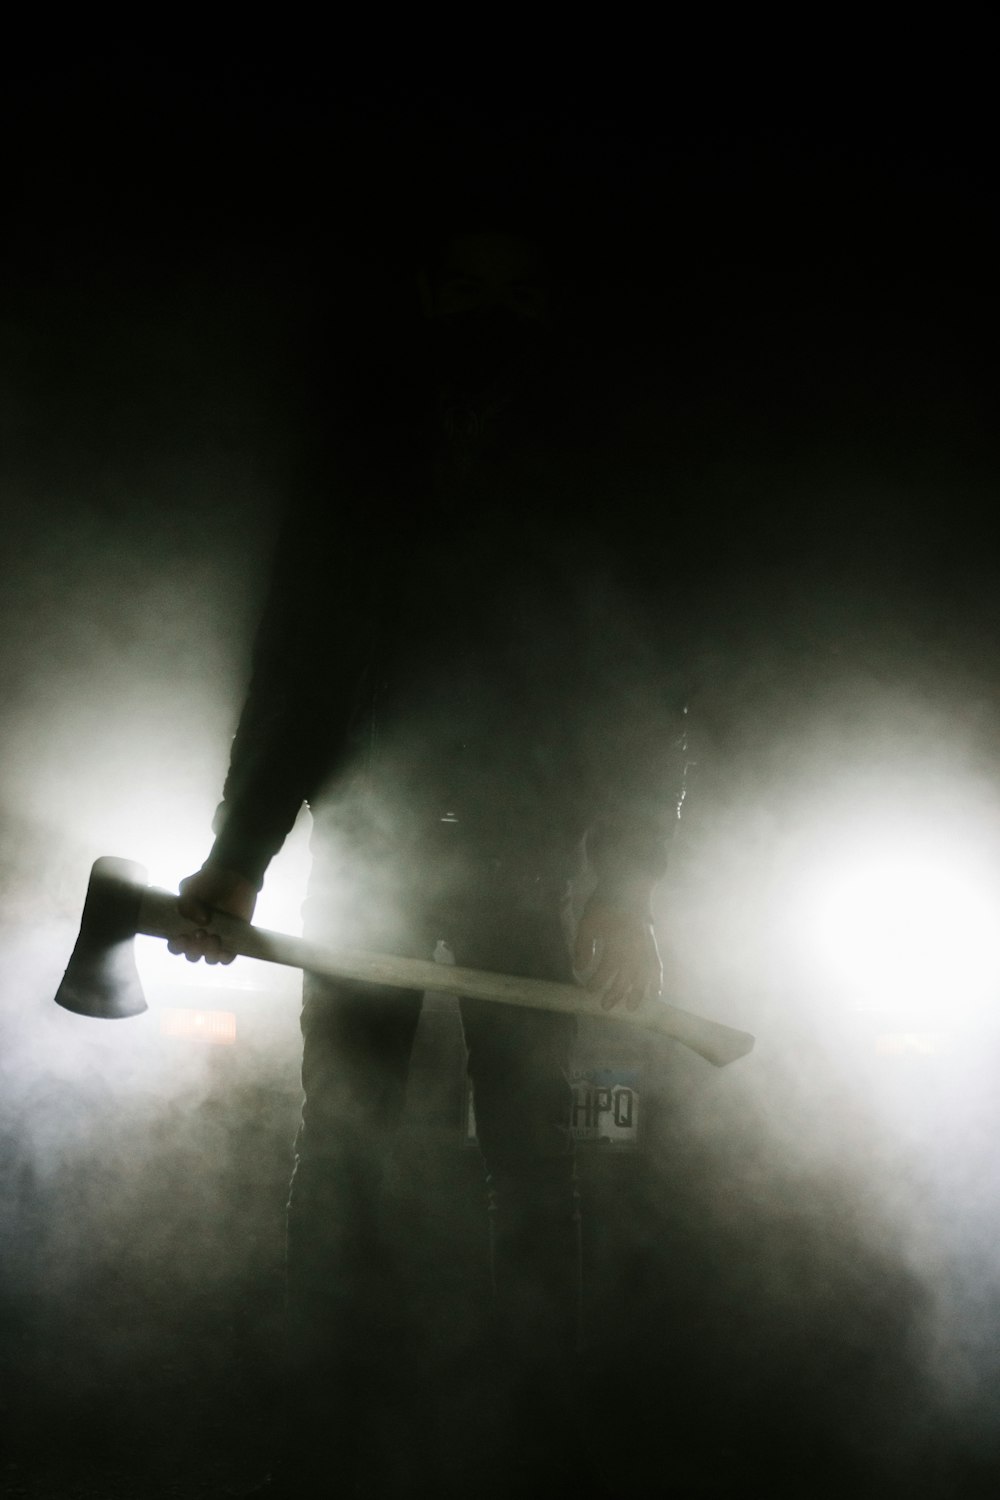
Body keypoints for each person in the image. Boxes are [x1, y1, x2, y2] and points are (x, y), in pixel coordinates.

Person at [171, 203, 687, 1495]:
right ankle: (320, 1430)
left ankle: (543, 1439)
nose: (481, 317)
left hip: (522, 860)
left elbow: (630, 693)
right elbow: (295, 681)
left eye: (507, 290)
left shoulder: (586, 470)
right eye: (461, 285)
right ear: (427, 299)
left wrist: (619, 888)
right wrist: (240, 858)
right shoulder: (361, 463)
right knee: (339, 1142)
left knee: (533, 1151)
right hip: (377, 852)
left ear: (539, 312)